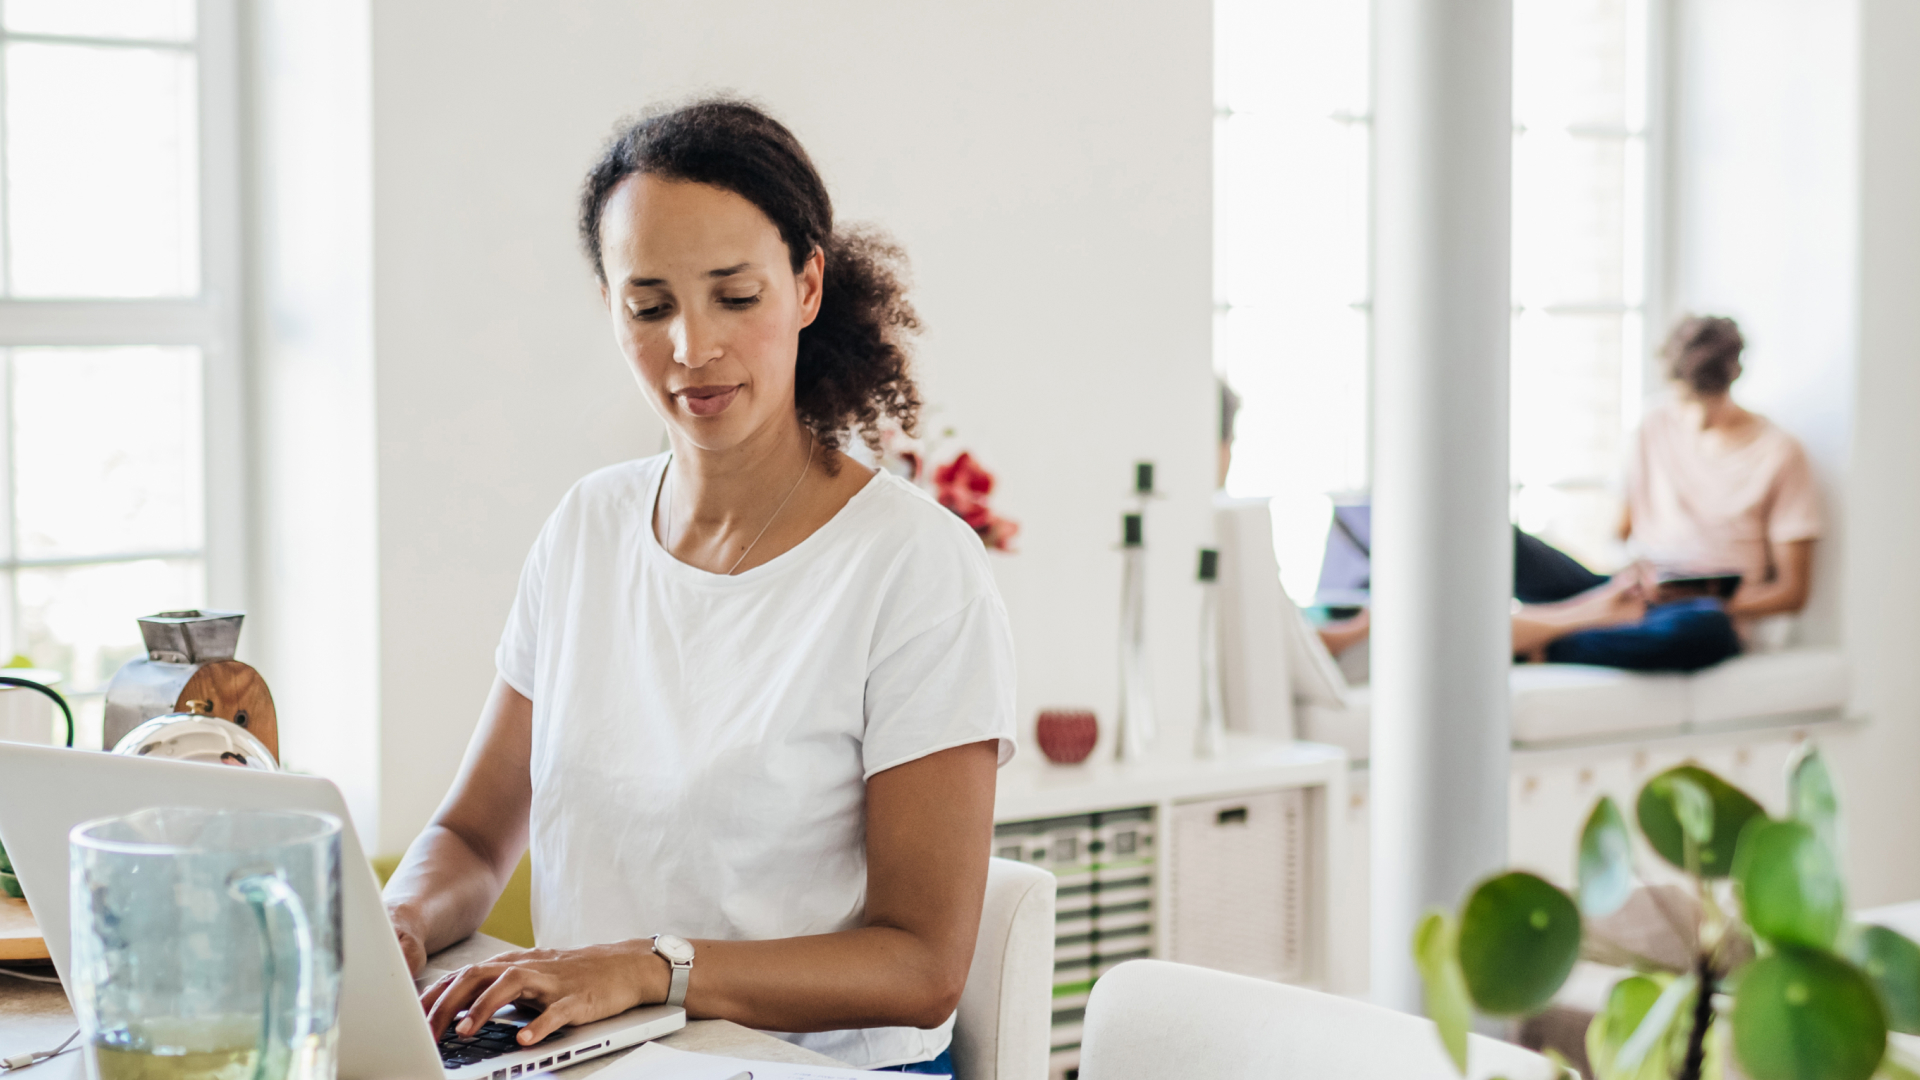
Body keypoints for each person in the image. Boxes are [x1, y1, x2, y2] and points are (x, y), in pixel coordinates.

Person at [381, 99, 1016, 1075]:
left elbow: (922, 964)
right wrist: (401, 923)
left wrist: (648, 969)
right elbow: (471, 833)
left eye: (734, 295)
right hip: (598, 1057)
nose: (690, 346)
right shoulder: (588, 529)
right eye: (649, 305)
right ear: (610, 308)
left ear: (806, 285)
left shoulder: (915, 568)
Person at [1314, 314, 1820, 672]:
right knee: (1495, 536)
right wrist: (1626, 583)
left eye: (1705, 402)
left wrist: (1710, 601)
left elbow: (1792, 592)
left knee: (1703, 628)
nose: (1692, 416)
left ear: (1731, 382)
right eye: (1684, 399)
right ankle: (1395, 620)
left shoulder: (1779, 452)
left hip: (1703, 612)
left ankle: (1532, 642)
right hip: (1633, 590)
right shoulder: (1653, 423)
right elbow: (1621, 533)